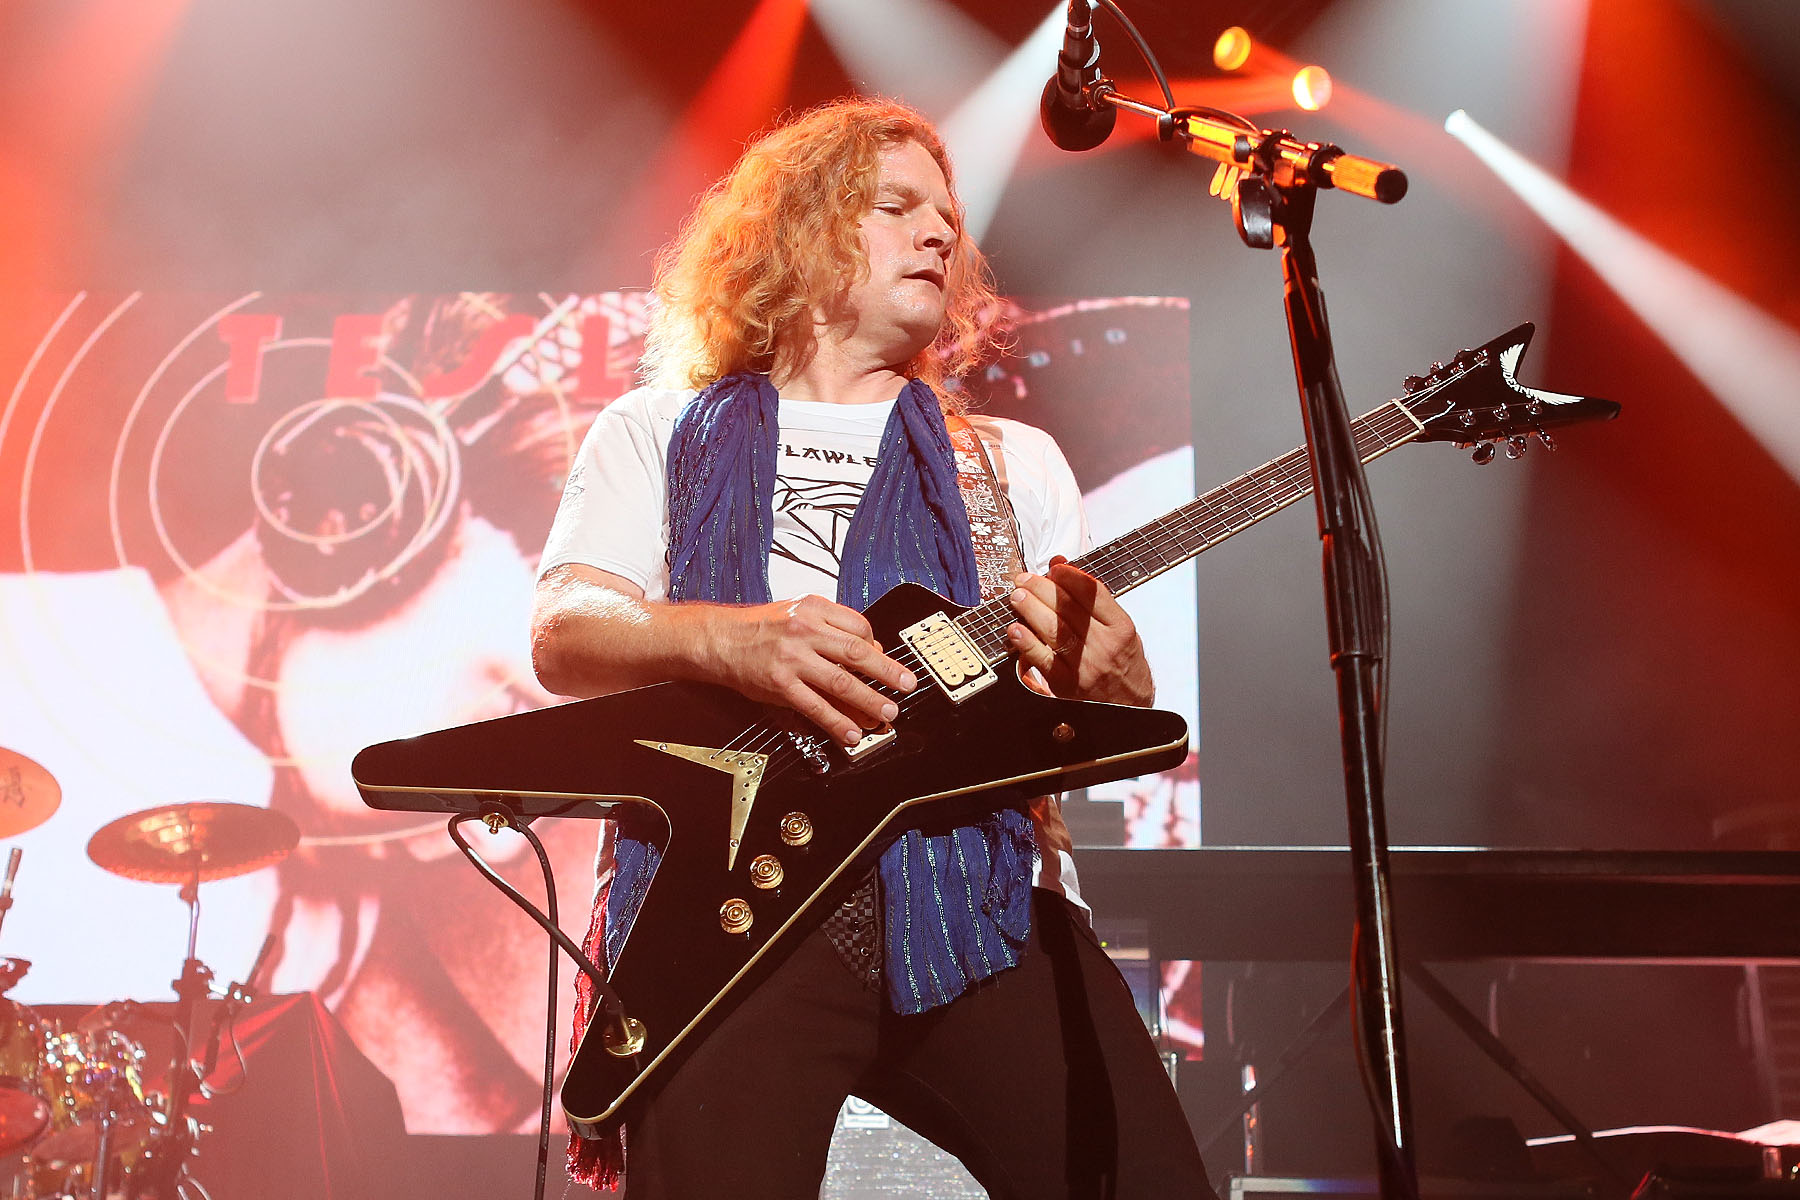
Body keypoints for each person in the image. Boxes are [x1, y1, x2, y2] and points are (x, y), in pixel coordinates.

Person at [531, 96, 1216, 1199]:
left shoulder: (1013, 463)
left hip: (979, 902)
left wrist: (1117, 687)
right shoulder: (654, 431)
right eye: (897, 206)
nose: (940, 232)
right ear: (796, 230)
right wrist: (735, 642)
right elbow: (566, 633)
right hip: (731, 912)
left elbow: (1072, 725)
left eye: (949, 217)